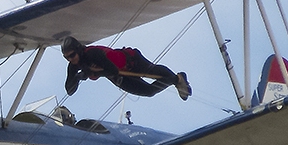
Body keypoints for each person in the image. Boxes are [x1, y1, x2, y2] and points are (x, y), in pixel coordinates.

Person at [61, 36, 191, 100]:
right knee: (149, 91)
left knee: (152, 70)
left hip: (131, 61)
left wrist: (92, 73)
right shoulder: (73, 65)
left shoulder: (92, 53)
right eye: (67, 58)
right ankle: (176, 79)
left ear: (78, 50)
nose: (71, 59)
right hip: (120, 76)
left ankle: (177, 78)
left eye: (72, 55)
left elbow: (112, 70)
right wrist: (77, 77)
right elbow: (69, 91)